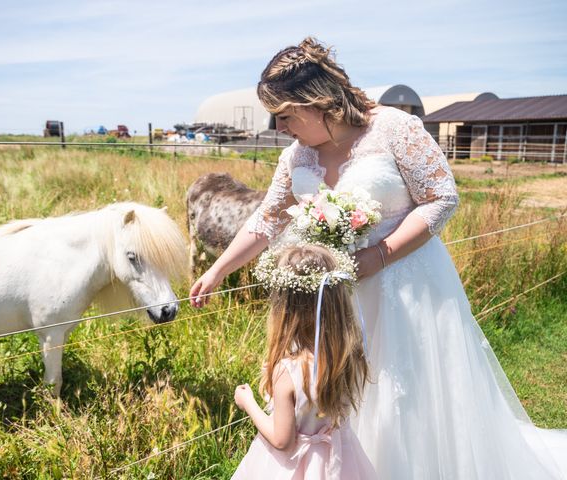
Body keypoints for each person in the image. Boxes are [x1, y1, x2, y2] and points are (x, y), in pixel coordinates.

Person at [191, 37, 567, 479]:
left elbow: (441, 199)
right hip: (334, 303)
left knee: (401, 396)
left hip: (404, 288)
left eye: (286, 114)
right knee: (343, 394)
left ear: (318, 103)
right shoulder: (297, 155)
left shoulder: (395, 129)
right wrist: (218, 270)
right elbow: (268, 219)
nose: (280, 127)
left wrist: (379, 256)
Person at [232, 244, 377, 480]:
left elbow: (283, 441)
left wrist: (248, 403)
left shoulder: (287, 371)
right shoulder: (348, 355)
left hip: (291, 468)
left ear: (285, 307)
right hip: (339, 462)